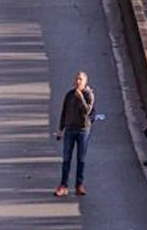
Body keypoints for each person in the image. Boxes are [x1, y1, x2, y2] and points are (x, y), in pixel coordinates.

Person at [53, 70, 95, 198]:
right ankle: (63, 185)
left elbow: (87, 111)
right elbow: (64, 112)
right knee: (66, 158)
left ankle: (79, 184)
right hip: (70, 129)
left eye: (80, 79)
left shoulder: (89, 95)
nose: (77, 82)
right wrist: (60, 129)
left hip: (83, 130)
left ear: (85, 82)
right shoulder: (69, 95)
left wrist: (81, 97)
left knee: (81, 159)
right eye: (76, 79)